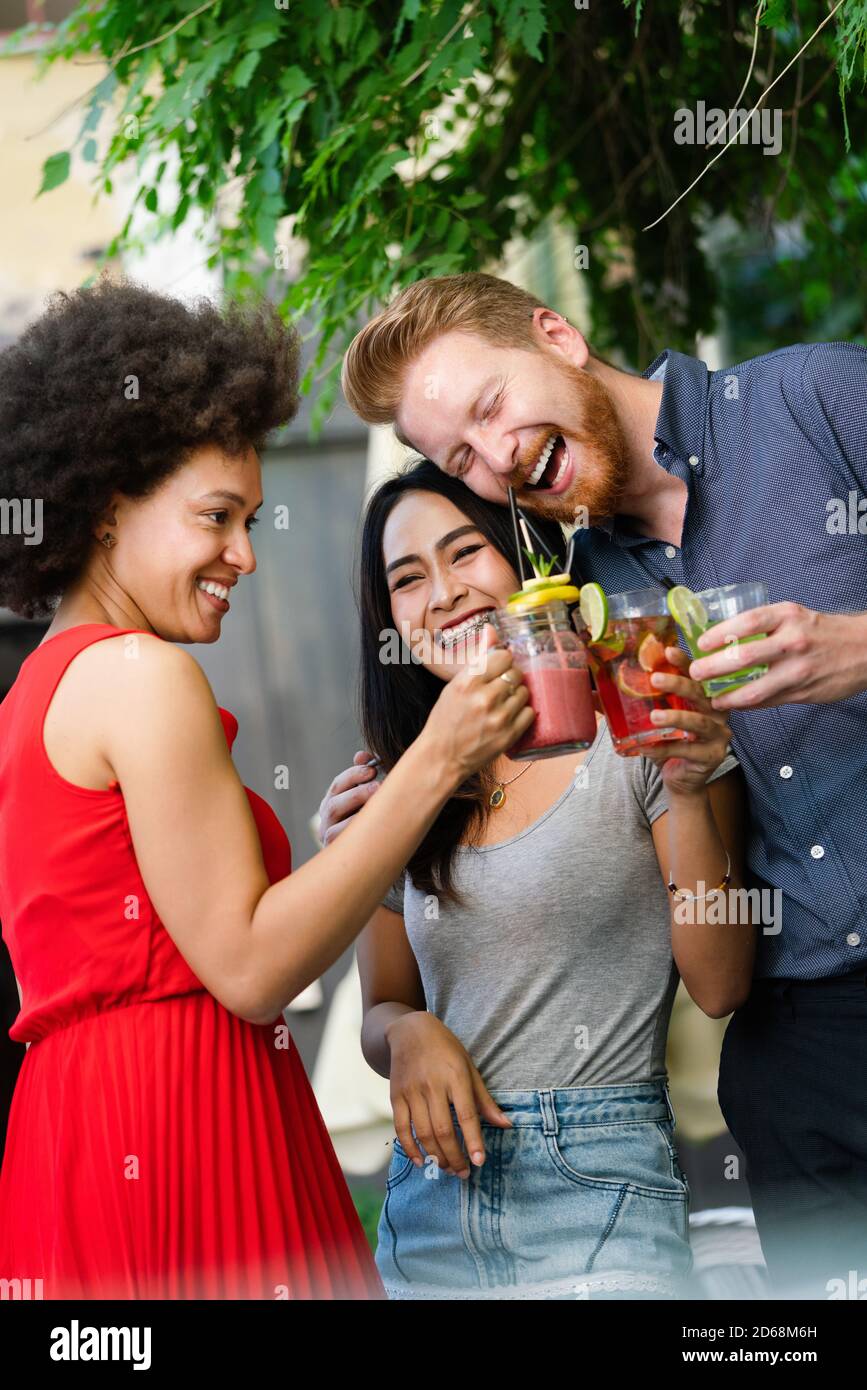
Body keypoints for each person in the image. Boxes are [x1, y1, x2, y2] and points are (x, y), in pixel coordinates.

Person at [0, 280, 534, 1301]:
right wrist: (435, 763)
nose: (243, 555)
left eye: (248, 519)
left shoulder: (36, 689)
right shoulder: (142, 676)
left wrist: (347, 852)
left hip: (74, 1132)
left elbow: (179, 931)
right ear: (110, 506)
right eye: (216, 517)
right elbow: (246, 967)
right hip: (181, 1124)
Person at [340, 270, 867, 1299]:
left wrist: (858, 646)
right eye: (458, 456)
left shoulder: (815, 401)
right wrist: (372, 828)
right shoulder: (590, 600)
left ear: (557, 332)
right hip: (798, 1047)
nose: (496, 458)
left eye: (490, 406)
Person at [317, 458, 755, 1300]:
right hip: (429, 1202)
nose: (442, 593)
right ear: (389, 620)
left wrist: (690, 790)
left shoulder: (631, 720)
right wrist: (407, 1035)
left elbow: (721, 983)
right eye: (407, 579)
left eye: (464, 554)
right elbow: (382, 1009)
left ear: (525, 559)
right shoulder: (395, 784)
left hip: (600, 1193)